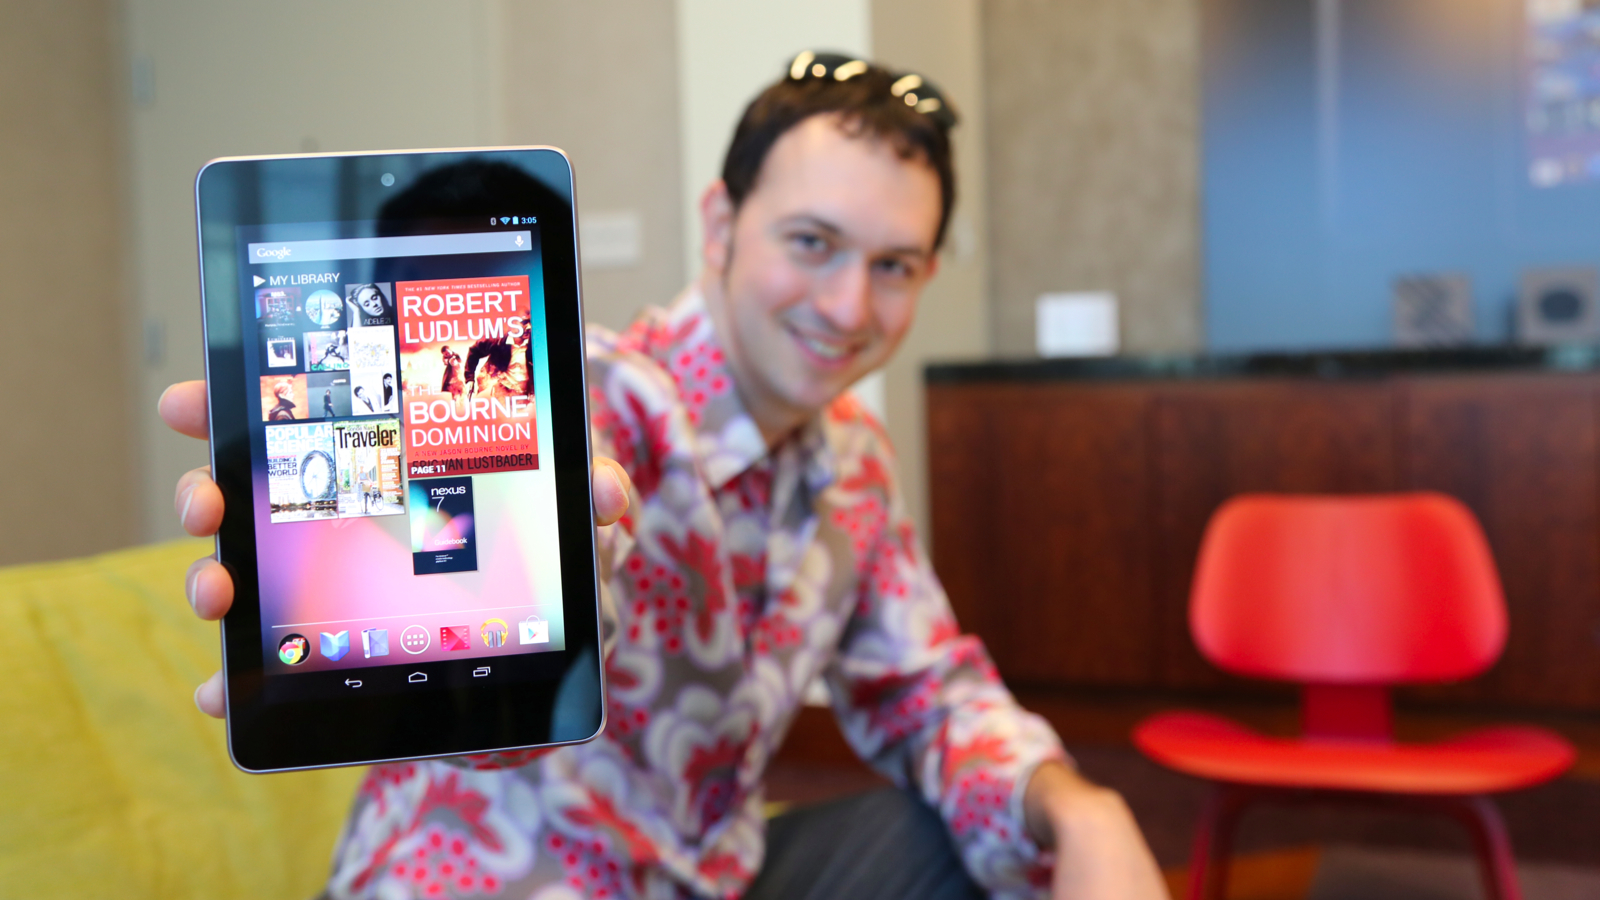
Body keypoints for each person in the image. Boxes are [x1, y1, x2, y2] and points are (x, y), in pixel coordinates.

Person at [160, 52, 1166, 900]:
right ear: (720, 224)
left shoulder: (855, 456)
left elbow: (924, 690)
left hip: (704, 874)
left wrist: (1083, 809)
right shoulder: (592, 396)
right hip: (497, 877)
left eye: (893, 265)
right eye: (811, 243)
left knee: (987, 842)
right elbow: (498, 676)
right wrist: (531, 584)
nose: (849, 307)